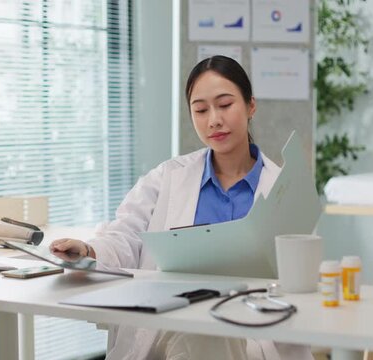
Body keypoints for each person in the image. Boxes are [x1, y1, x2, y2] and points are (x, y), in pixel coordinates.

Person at [50, 56, 313, 360]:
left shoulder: (282, 189)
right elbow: (126, 235)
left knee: (208, 333)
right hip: (169, 325)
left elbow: (302, 274)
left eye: (225, 105)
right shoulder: (168, 177)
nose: (214, 119)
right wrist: (89, 250)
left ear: (251, 106)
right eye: (201, 110)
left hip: (254, 332)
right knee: (199, 330)